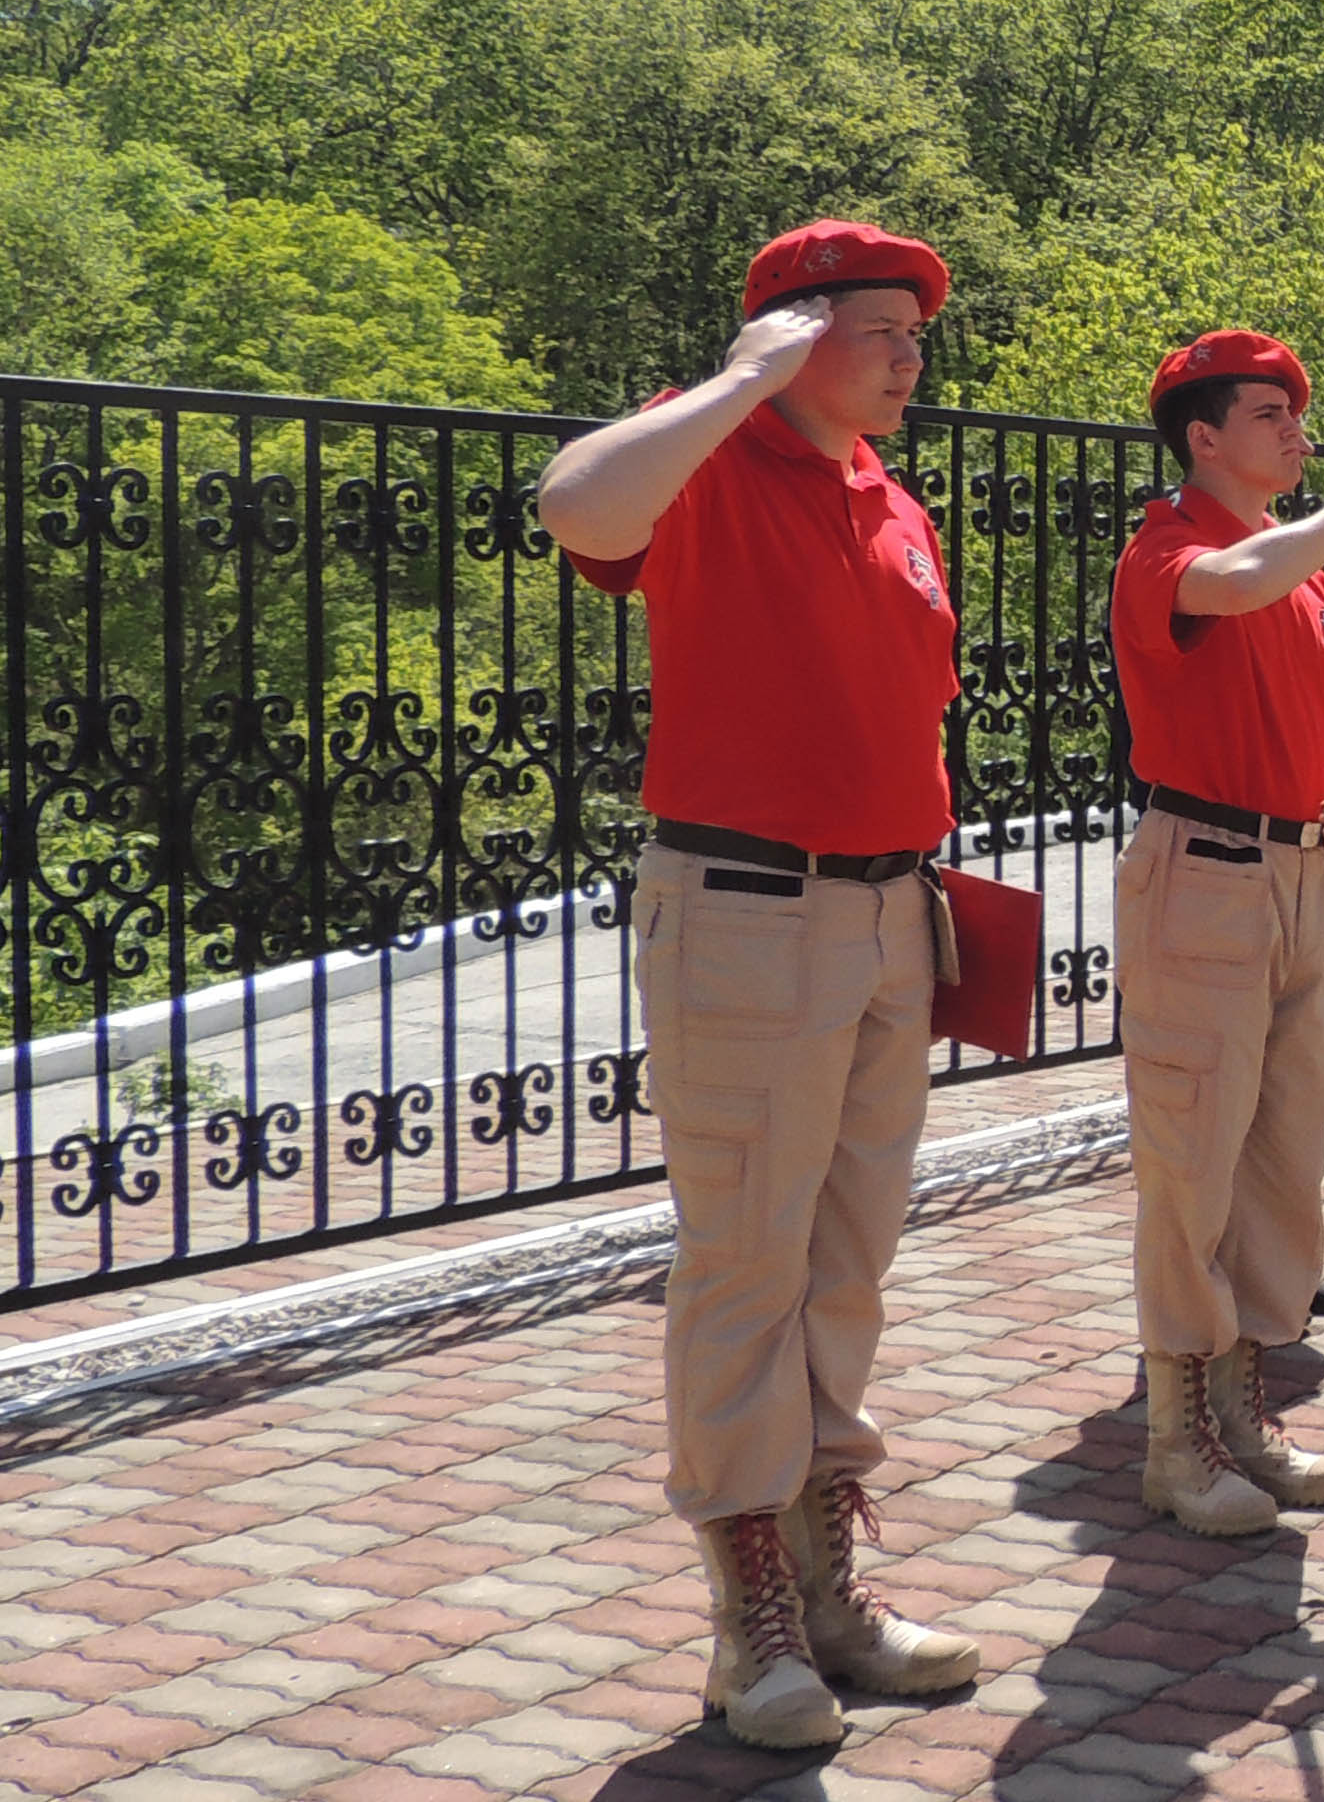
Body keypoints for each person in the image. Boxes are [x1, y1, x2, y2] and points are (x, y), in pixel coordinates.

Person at [540, 219, 990, 1746]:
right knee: (747, 1259)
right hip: (745, 909)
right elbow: (571, 500)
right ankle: (752, 1623)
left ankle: (828, 1571)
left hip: (883, 919)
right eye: (880, 330)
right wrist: (737, 384)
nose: (911, 357)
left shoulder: (893, 498)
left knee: (847, 1258)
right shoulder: (708, 470)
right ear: (792, 336)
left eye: (918, 334)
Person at [1107, 328, 1324, 1536]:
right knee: (1193, 1160)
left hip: (1298, 883)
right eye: (1268, 414)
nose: (1296, 430)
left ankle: (1244, 1405)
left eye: (1298, 410)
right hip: (1206, 871)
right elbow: (1231, 588)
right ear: (1203, 437)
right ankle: (1176, 1435)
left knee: (1278, 1160)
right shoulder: (1172, 547)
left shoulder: (1316, 573)